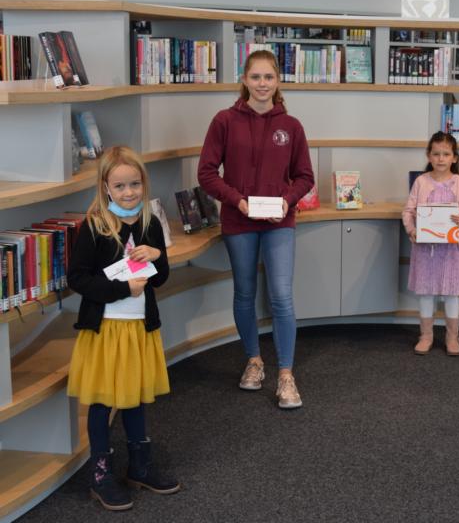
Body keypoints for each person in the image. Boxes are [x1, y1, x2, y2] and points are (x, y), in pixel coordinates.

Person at [198, 50, 314, 409]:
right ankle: (253, 361)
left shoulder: (291, 126)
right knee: (245, 293)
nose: (262, 84)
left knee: (281, 295)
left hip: (280, 222)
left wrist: (286, 200)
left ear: (277, 81)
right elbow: (206, 173)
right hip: (239, 220)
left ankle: (285, 375)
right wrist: (237, 200)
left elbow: (304, 177)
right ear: (245, 80)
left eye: (269, 77)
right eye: (256, 77)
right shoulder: (224, 121)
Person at [67, 146, 179, 511]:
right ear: (105, 187)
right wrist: (119, 289)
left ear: (143, 184)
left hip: (139, 328)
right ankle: (100, 474)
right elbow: (78, 278)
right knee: (102, 401)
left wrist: (157, 257)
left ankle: (139, 466)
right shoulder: (95, 226)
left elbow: (159, 280)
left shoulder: (149, 222)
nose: (129, 192)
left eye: (135, 184)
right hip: (105, 329)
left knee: (135, 398)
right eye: (120, 186)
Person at [403, 131, 459, 356]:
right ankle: (426, 335)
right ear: (429, 156)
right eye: (436, 154)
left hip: (452, 249)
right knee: (426, 292)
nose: (441, 158)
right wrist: (411, 230)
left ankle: (452, 336)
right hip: (425, 249)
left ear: (454, 158)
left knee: (452, 293)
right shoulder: (421, 182)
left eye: (446, 154)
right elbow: (408, 211)